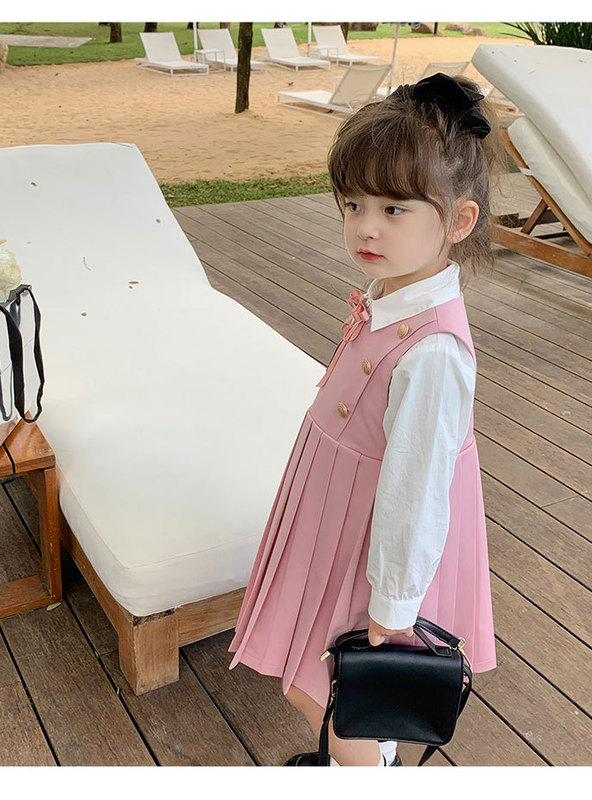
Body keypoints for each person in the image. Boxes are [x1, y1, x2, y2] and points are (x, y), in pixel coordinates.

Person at [227, 73, 499, 767]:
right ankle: (368, 758)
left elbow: (418, 491)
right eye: (353, 203)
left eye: (393, 208)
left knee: (338, 689)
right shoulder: (392, 294)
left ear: (458, 221)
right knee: (325, 679)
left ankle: (371, 767)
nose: (365, 226)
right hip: (339, 519)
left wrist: (396, 605)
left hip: (377, 544)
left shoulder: (433, 351)